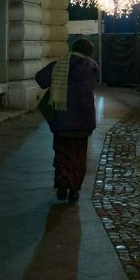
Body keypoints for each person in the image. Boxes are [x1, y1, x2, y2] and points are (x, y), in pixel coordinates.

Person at [34, 38, 99, 202]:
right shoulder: (91, 66)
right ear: (89, 52)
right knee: (79, 155)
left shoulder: (59, 65)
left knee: (62, 152)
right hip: (84, 121)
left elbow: (40, 79)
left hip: (61, 121)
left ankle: (63, 178)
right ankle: (74, 188)